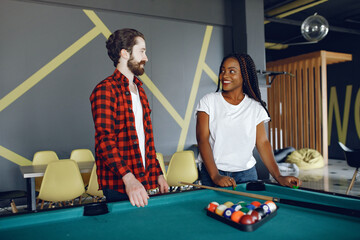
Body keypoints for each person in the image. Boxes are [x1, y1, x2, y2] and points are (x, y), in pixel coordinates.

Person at [195, 53, 301, 188]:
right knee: (217, 209)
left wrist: (278, 176)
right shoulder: (208, 101)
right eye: (222, 70)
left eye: (231, 71)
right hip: (213, 172)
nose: (224, 75)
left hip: (246, 174)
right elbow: (202, 139)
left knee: (248, 209)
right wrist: (215, 176)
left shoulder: (255, 107)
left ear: (244, 76)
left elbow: (263, 143)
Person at [90, 28, 168, 207]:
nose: (146, 58)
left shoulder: (140, 90)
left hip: (143, 180)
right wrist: (129, 179)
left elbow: (146, 140)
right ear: (124, 53)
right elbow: (104, 141)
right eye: (141, 51)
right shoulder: (105, 90)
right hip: (120, 184)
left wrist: (159, 173)